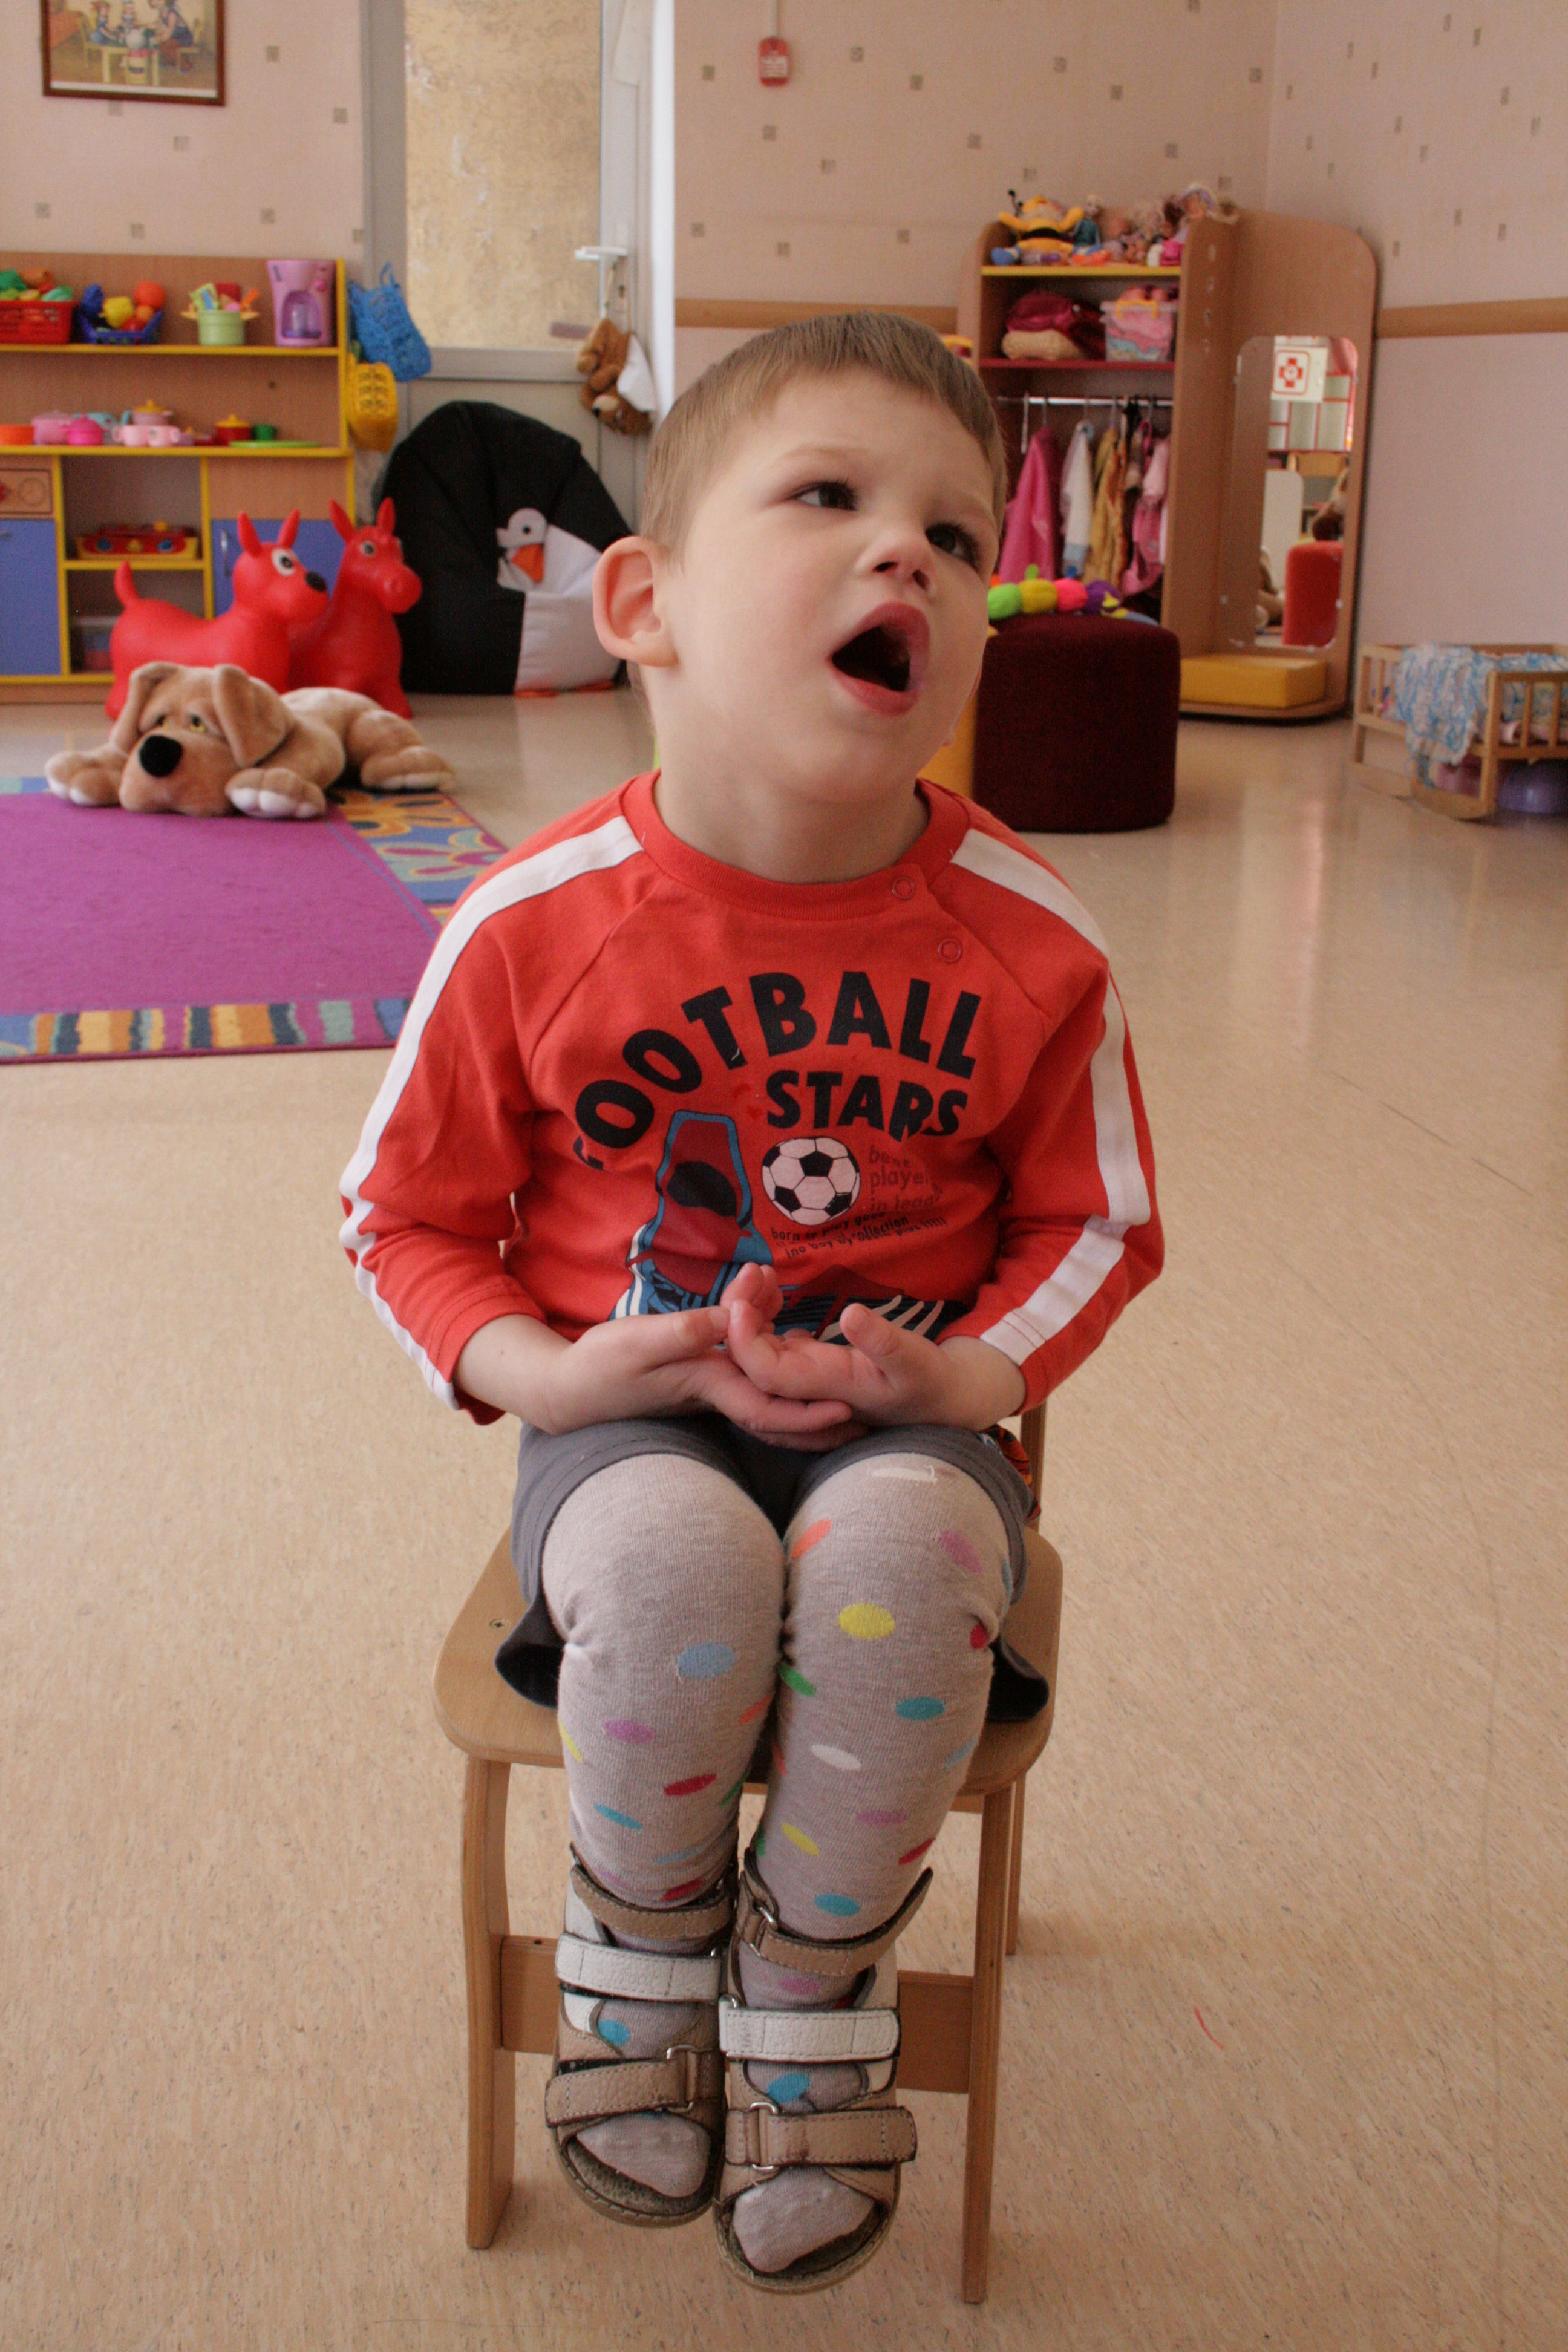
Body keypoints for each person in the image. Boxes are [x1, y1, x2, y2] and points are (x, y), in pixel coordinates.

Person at [340, 313, 1162, 2292]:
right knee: (676, 1563)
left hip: (910, 1432)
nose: (910, 558)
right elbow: (400, 1218)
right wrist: (550, 1376)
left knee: (895, 1552)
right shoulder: (531, 925)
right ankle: (642, 1945)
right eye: (831, 498)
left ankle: (811, 1972)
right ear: (647, 606)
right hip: (630, 1419)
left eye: (956, 537)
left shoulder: (1031, 937)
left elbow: (1104, 1220)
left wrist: (969, 1374)